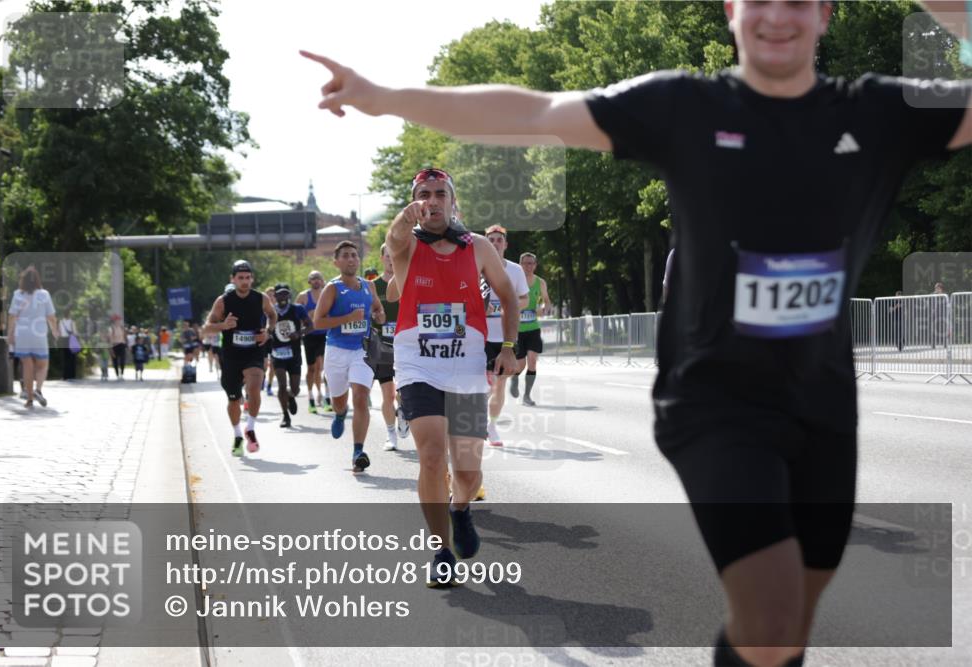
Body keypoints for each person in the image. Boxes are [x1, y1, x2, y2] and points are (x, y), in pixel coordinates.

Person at [302, 3, 972, 659]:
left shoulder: (876, 112)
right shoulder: (687, 107)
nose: (777, 16)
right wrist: (385, 96)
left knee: (791, 619)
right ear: (730, 11)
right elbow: (532, 111)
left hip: (822, 399)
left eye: (797, 0)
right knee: (770, 614)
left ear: (826, 14)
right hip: (715, 400)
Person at [381, 167, 518, 585]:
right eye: (424, 193)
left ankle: (460, 509)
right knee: (431, 455)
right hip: (417, 363)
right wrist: (406, 218)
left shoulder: (476, 246)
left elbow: (508, 295)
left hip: (466, 367)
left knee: (468, 471)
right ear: (415, 200)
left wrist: (509, 348)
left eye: (441, 193)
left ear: (453, 200)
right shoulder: (405, 246)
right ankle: (440, 551)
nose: (433, 199)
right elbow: (394, 240)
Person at [311, 241, 386, 472]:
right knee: (339, 402)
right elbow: (318, 322)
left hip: (361, 350)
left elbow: (378, 310)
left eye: (354, 255)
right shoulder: (332, 289)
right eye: (346, 256)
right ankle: (340, 414)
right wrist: (348, 317)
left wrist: (379, 315)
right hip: (336, 351)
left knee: (361, 397)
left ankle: (358, 451)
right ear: (337, 262)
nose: (352, 259)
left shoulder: (368, 286)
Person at [202, 260, 277, 457]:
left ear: (252, 279)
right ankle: (237, 434)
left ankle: (250, 427)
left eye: (247, 278)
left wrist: (268, 332)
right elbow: (207, 327)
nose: (244, 281)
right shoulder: (223, 301)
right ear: (233, 279)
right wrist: (223, 326)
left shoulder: (261, 298)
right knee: (233, 399)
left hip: (254, 351)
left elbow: (272, 315)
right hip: (231, 355)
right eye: (240, 278)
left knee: (254, 387)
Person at [481, 225, 529, 446]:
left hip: (505, 338)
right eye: (490, 239)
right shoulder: (476, 269)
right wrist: (482, 308)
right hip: (480, 337)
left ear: (506, 244)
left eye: (499, 239)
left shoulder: (515, 270)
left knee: (499, 385)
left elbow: (525, 300)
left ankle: (491, 426)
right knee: (482, 386)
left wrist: (508, 306)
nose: (495, 243)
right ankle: (479, 420)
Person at [370, 244, 408, 451]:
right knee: (388, 395)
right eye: (388, 256)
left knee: (404, 394)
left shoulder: (408, 282)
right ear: (382, 258)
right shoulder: (373, 286)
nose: (391, 260)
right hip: (382, 348)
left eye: (395, 256)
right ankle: (390, 433)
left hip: (406, 347)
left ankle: (403, 412)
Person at [7, 266, 57, 408]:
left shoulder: (17, 294)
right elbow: (51, 317)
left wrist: (10, 334)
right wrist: (54, 330)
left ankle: (29, 399)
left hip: (22, 335)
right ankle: (38, 390)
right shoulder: (44, 294)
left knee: (27, 367)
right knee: (42, 365)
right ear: (37, 280)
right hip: (39, 334)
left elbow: (12, 316)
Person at [509, 252, 551, 406]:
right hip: (518, 330)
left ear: (535, 265)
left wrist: (544, 309)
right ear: (520, 265)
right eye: (526, 263)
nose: (528, 266)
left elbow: (547, 302)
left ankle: (527, 395)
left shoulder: (540, 283)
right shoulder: (514, 282)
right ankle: (514, 377)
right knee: (520, 365)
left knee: (532, 361)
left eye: (531, 263)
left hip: (533, 328)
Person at [270, 283, 312, 428]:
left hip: (294, 354)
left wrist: (298, 334)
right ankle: (285, 416)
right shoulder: (270, 312)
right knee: (281, 385)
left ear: (289, 295)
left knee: (295, 389)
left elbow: (310, 326)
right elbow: (263, 328)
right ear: (274, 296)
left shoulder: (297, 309)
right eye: (279, 294)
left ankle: (291, 396)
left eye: (285, 294)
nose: (283, 297)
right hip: (277, 353)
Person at [296, 271, 331, 413]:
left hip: (325, 334)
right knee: (312, 368)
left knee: (323, 367)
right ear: (309, 281)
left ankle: (326, 396)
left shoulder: (328, 294)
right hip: (309, 336)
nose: (316, 281)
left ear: (322, 281)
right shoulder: (303, 296)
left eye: (319, 278)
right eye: (313, 279)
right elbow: (295, 316)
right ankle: (311, 395)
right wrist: (306, 318)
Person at [264, 286, 278, 396]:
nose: (271, 297)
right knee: (264, 365)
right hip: (264, 339)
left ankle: (269, 385)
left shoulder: (279, 309)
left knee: (273, 364)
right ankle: (262, 379)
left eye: (273, 295)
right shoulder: (261, 308)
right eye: (268, 295)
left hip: (275, 339)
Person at [58, 313, 79, 380]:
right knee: (72, 358)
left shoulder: (61, 322)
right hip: (71, 340)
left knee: (65, 358)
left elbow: (59, 332)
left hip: (63, 340)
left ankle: (65, 376)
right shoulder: (72, 321)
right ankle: (72, 375)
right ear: (69, 314)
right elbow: (75, 332)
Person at [109, 314, 127, 380]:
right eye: (117, 320)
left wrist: (125, 344)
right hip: (115, 345)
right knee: (115, 361)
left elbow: (124, 337)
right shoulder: (111, 329)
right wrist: (111, 348)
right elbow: (110, 339)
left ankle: (122, 374)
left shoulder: (122, 328)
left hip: (121, 345)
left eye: (119, 320)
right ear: (114, 321)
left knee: (122, 360)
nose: (118, 321)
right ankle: (117, 375)